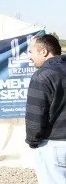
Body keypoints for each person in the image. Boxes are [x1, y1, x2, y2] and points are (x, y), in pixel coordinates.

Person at [25, 34, 66, 183]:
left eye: (31, 51)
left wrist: (32, 141)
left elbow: (36, 114)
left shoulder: (43, 76)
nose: (29, 56)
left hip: (55, 144)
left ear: (44, 52)